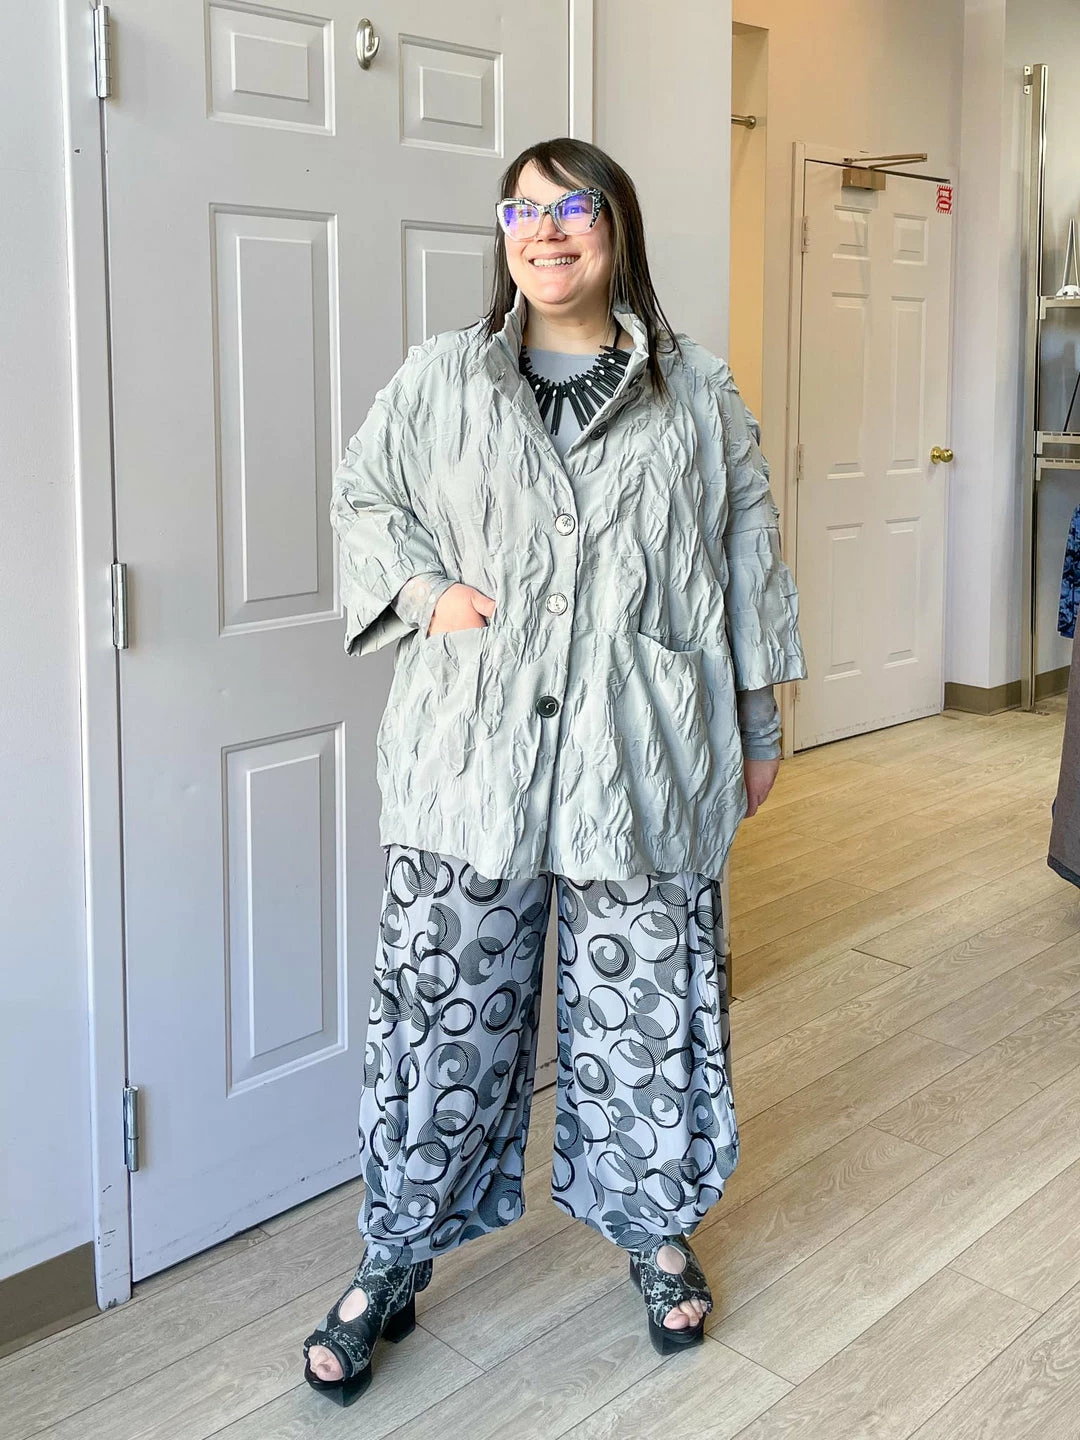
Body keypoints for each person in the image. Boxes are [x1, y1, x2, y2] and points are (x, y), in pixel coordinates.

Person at [302, 137, 807, 1406]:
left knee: (648, 1014)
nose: (545, 229)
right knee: (440, 1018)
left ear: (616, 227)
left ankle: (654, 1230)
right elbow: (364, 497)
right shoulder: (442, 379)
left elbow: (746, 556)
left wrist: (758, 727)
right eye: (521, 210)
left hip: (641, 760)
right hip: (467, 764)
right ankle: (393, 1251)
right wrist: (426, 592)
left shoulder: (697, 392)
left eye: (572, 206)